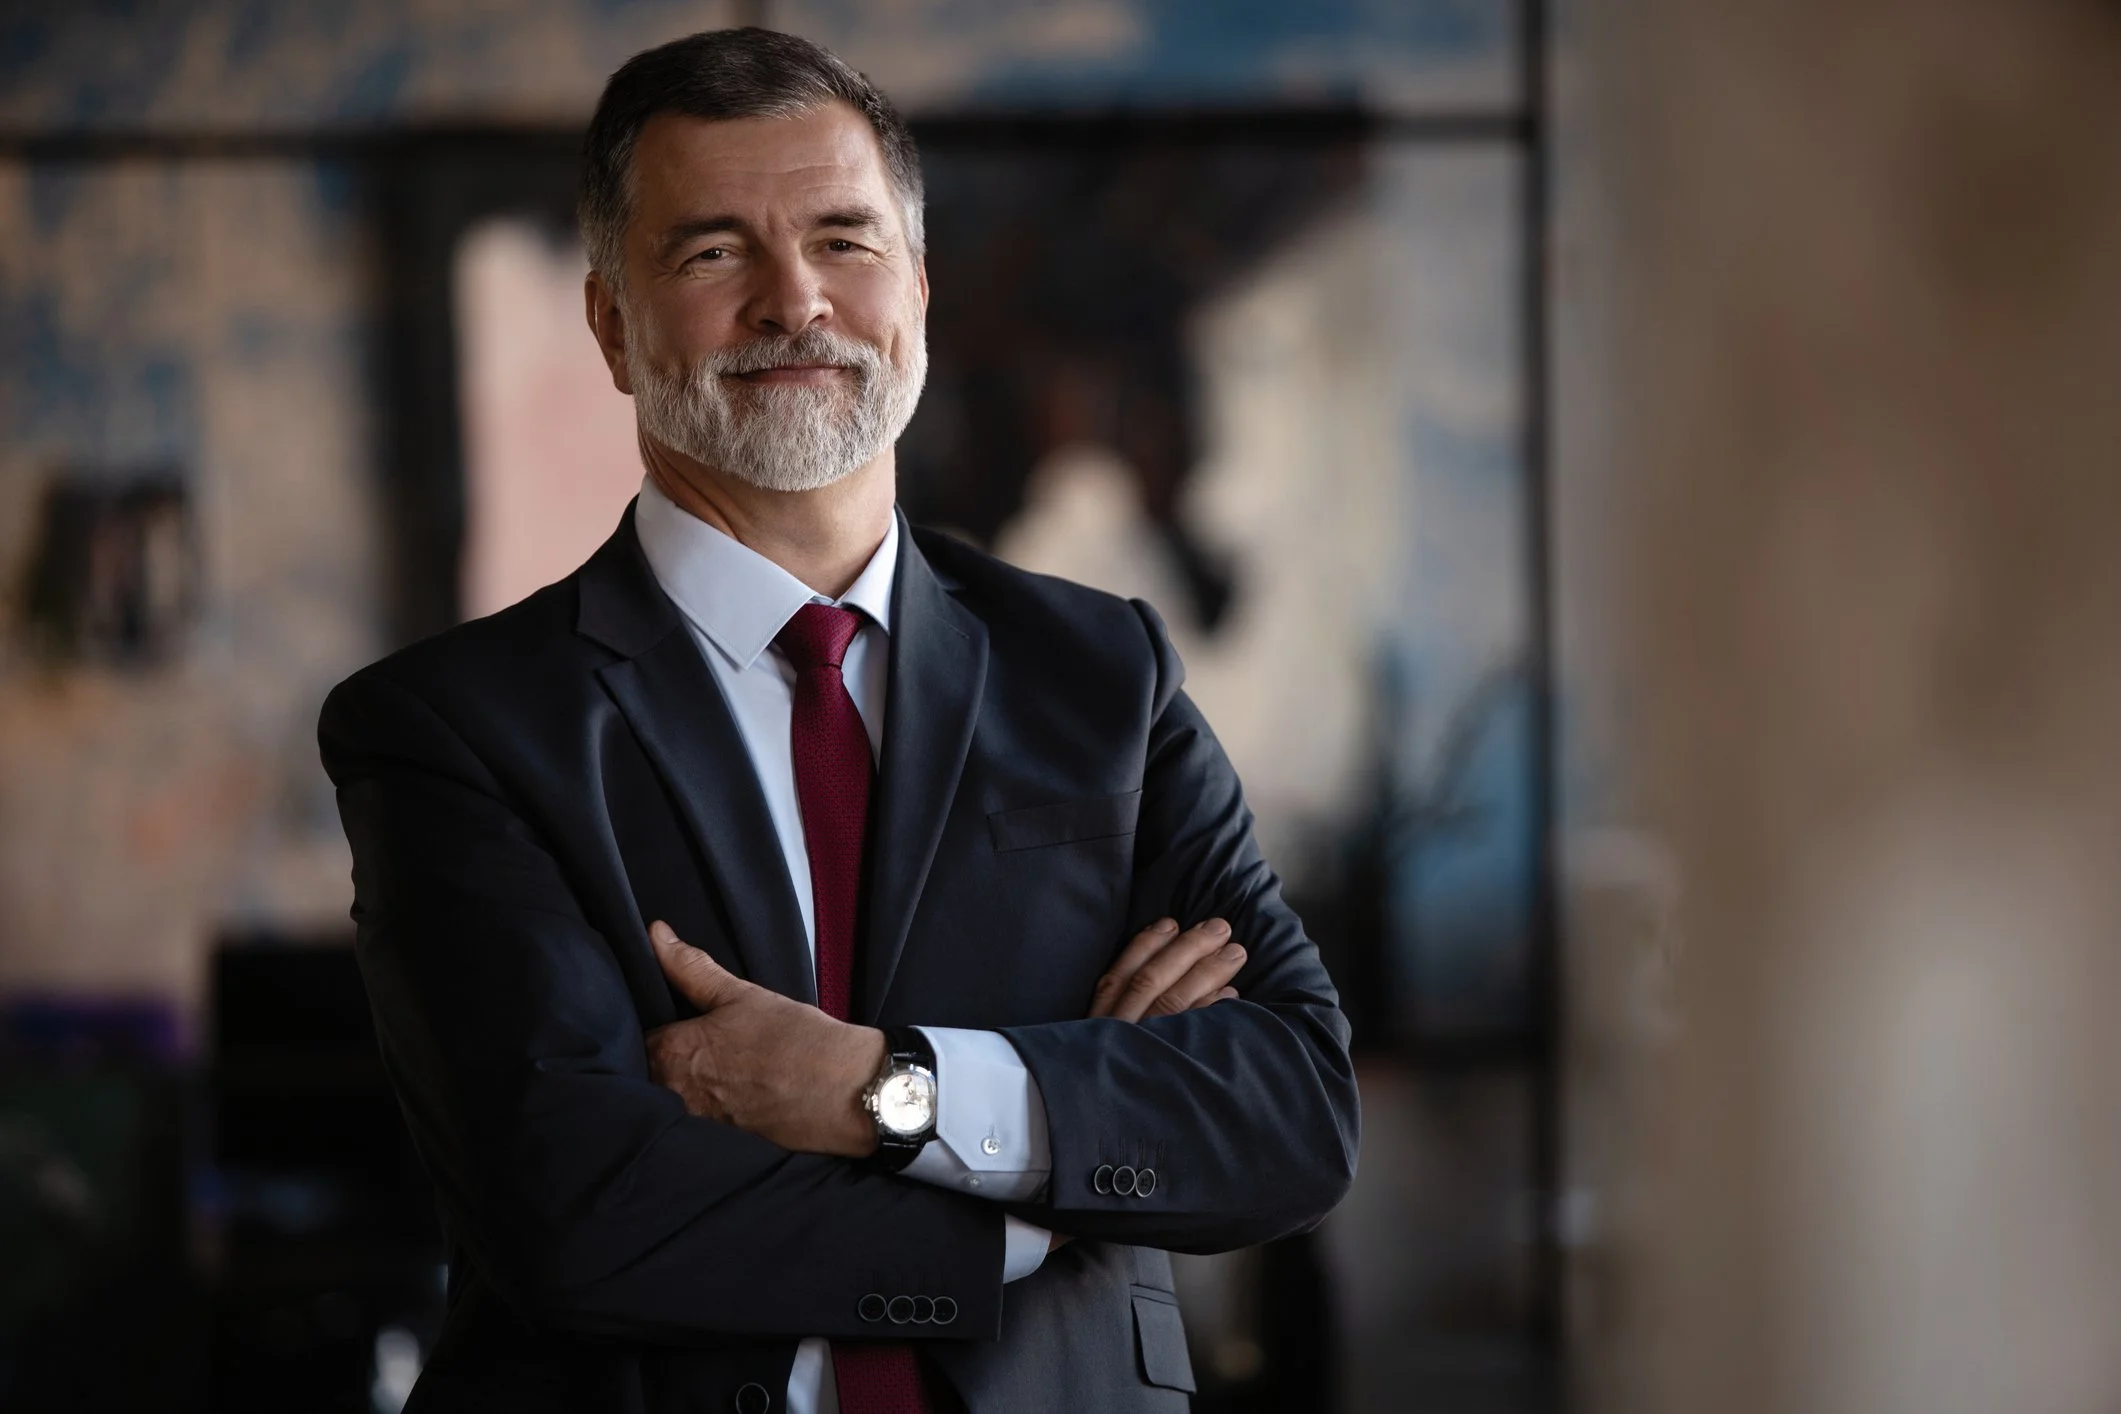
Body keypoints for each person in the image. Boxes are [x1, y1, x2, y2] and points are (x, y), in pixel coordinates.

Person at [319, 27, 1357, 1414]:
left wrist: (881, 1090)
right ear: (613, 326)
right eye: (713, 253)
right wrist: (1048, 1190)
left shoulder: (1106, 673)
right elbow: (578, 1213)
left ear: (918, 290)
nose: (792, 300)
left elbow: (1293, 1112)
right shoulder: (453, 731)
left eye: (843, 242)